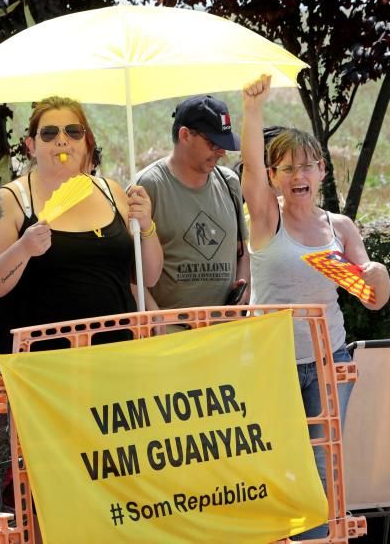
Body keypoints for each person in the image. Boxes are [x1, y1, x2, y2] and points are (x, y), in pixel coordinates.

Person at [240, 74, 389, 540]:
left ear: (321, 171)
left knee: (324, 468)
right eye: (286, 168)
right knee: (280, 465)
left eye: (306, 166)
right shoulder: (265, 218)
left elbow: (372, 295)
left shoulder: (340, 227)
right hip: (271, 363)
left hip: (331, 361)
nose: (298, 176)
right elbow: (247, 169)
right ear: (273, 178)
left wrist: (379, 275)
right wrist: (252, 110)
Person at [0, 96, 162, 354]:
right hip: (38, 365)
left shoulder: (112, 192)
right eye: (49, 133)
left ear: (86, 142)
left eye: (73, 132)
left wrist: (147, 227)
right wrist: (24, 249)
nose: (62, 140)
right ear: (31, 145)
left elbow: (146, 277)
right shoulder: (12, 200)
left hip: (114, 356)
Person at [135, 95, 250, 309]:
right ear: (185, 135)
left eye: (225, 144)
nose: (222, 152)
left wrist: (244, 289)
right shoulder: (148, 186)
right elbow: (128, 269)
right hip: (172, 331)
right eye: (214, 143)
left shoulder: (230, 182)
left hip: (226, 327)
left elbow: (242, 251)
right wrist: (152, 312)